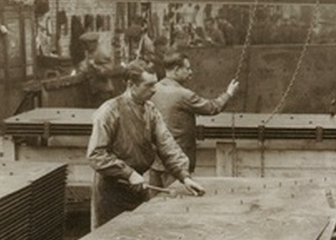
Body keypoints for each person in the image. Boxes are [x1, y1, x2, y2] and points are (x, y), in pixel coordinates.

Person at [86, 60, 206, 228]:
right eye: (148, 85)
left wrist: (184, 176)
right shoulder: (109, 112)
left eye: (155, 84)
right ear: (131, 84)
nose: (154, 90)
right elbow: (95, 155)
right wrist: (128, 173)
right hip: (111, 191)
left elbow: (167, 145)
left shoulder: (150, 110)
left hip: (138, 186)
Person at [150, 51, 240, 183]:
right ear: (176, 70)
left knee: (154, 202)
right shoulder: (183, 95)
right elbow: (212, 108)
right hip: (176, 163)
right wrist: (229, 93)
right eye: (187, 68)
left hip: (155, 161)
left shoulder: (153, 90)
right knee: (175, 201)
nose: (191, 72)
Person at [77, 32, 117, 108]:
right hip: (94, 90)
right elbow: (87, 63)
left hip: (103, 92)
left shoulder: (102, 53)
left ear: (92, 43)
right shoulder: (91, 52)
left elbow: (108, 72)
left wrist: (94, 66)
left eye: (86, 44)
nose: (84, 47)